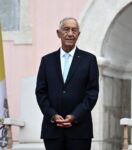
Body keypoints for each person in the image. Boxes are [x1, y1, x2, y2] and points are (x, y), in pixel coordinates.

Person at [35, 17, 99, 150]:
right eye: (66, 29)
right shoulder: (47, 61)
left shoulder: (89, 60)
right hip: (52, 130)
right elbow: (41, 92)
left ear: (78, 35)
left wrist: (75, 116)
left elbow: (92, 93)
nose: (70, 33)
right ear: (58, 33)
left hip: (80, 130)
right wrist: (52, 115)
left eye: (74, 30)